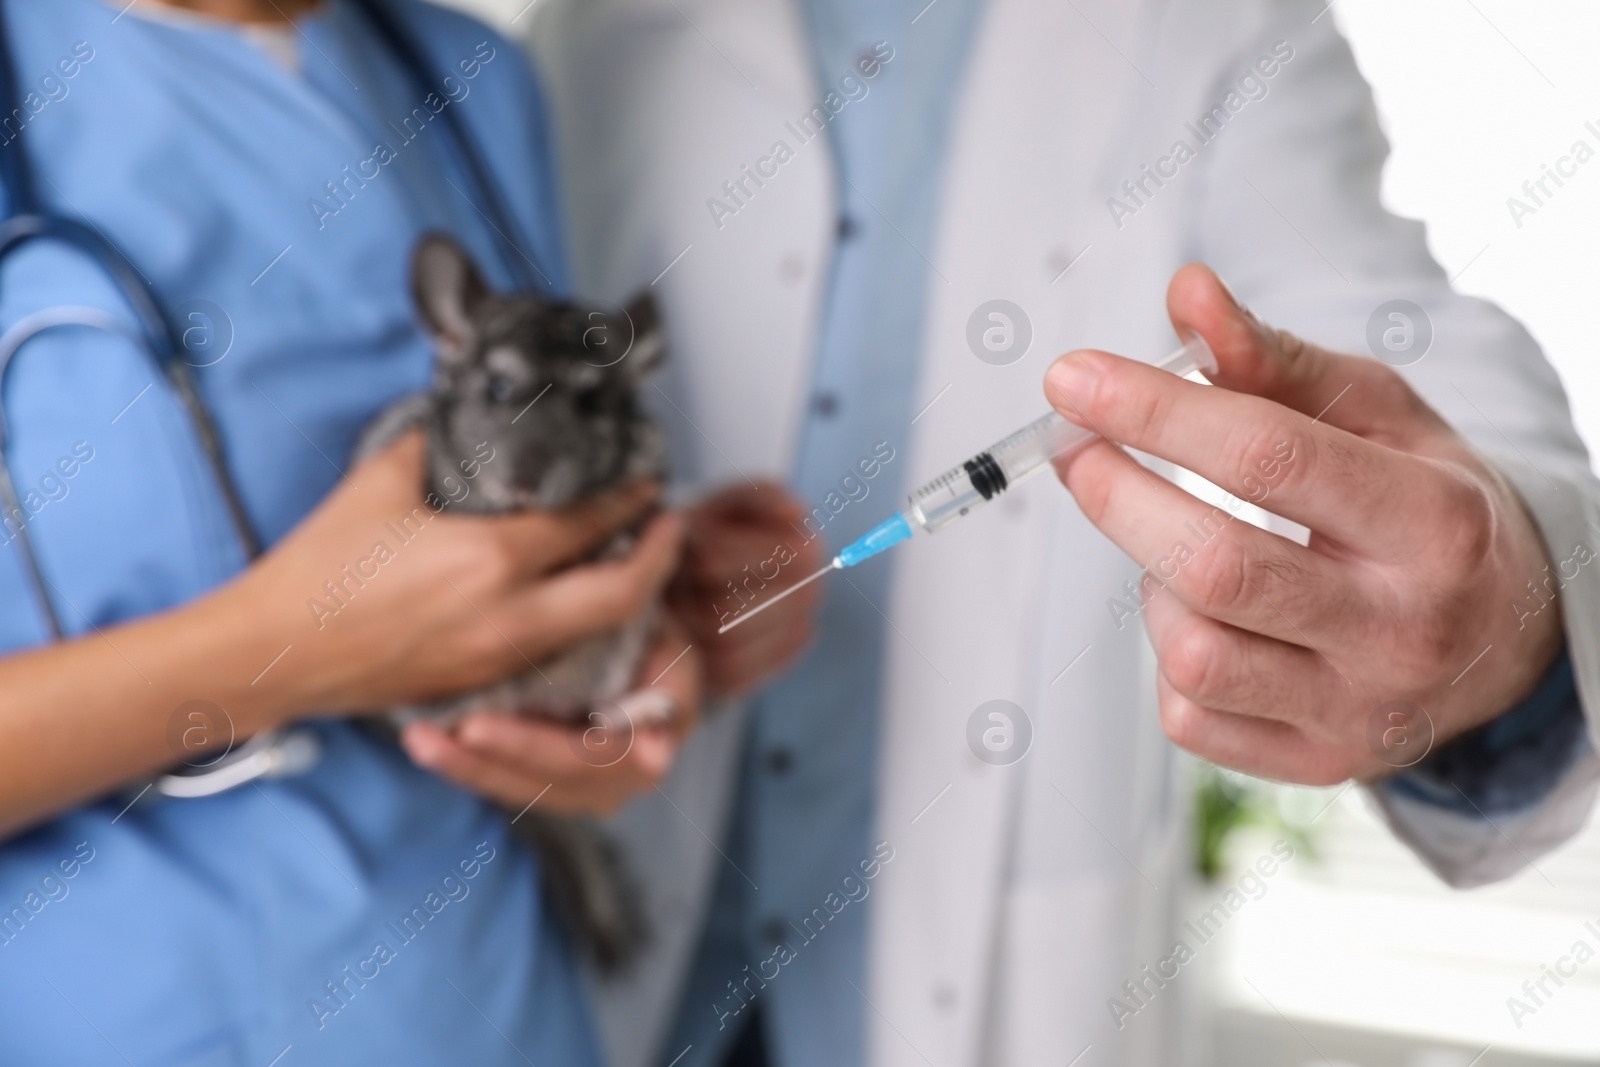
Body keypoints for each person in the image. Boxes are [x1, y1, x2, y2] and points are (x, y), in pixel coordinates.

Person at [529, 0, 1600, 1064]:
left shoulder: (1214, 27)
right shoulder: (585, 33)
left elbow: (1405, 359)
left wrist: (1503, 603)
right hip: (604, 971)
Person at [0, 1, 808, 1064]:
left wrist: (636, 636)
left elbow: (521, 499)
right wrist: (289, 649)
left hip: (502, 1004)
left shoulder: (472, 77)